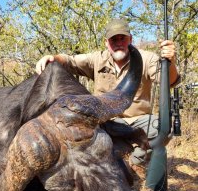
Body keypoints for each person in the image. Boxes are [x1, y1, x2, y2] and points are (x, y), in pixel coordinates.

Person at [35, 18, 180, 176]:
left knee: (162, 128)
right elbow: (70, 61)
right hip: (107, 123)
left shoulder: (147, 59)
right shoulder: (97, 59)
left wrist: (170, 62)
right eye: (113, 39)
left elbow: (170, 81)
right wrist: (52, 58)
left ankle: (134, 161)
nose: (118, 42)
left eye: (122, 38)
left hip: (137, 121)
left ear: (130, 39)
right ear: (106, 42)